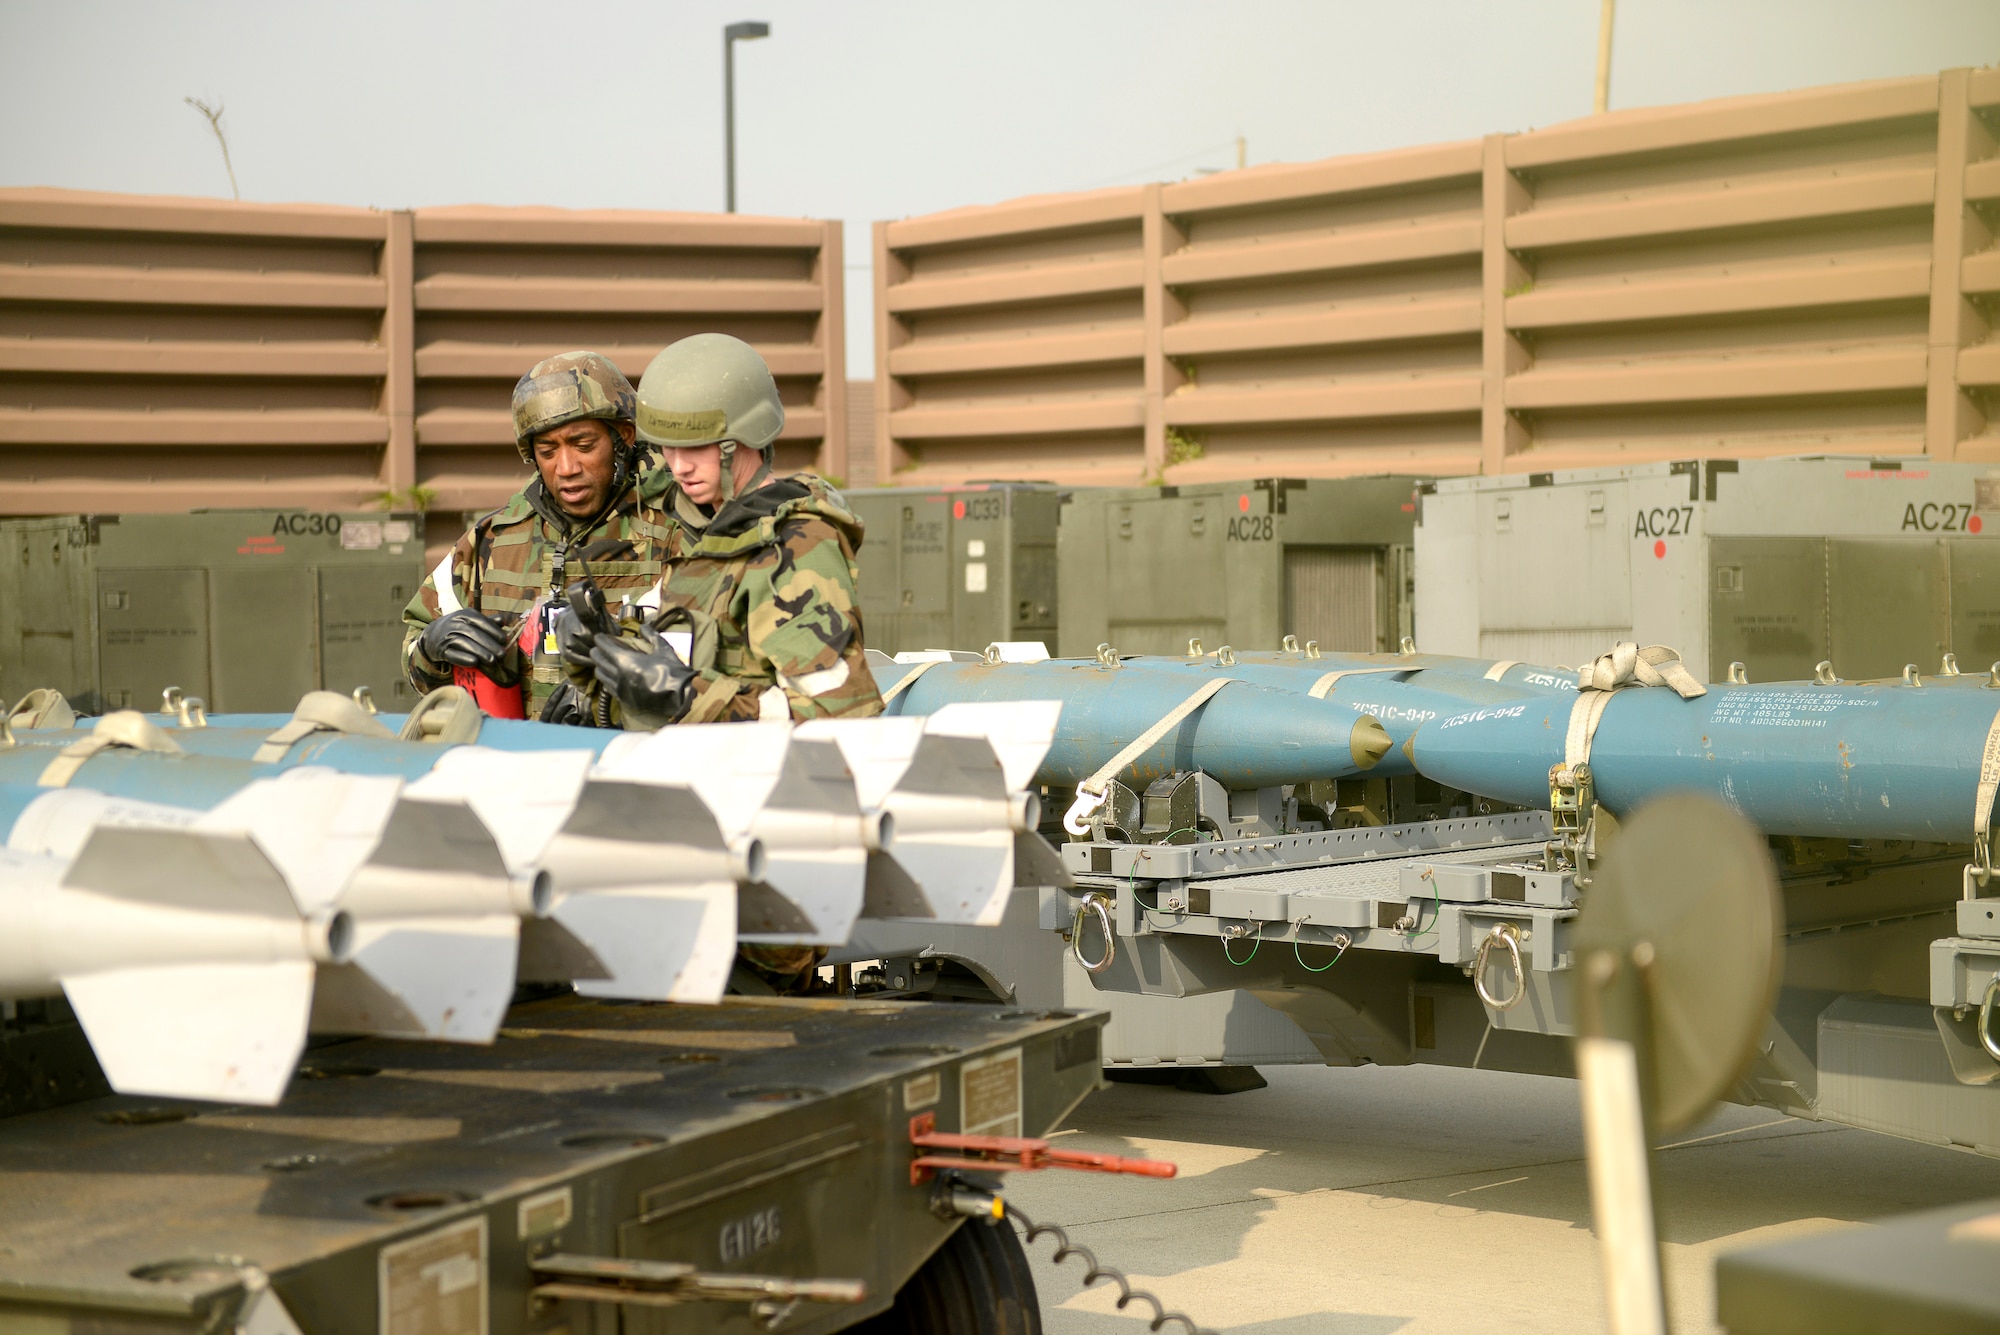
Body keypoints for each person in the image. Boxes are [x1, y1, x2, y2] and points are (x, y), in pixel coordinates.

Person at [580, 333, 883, 729]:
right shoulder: (709, 536)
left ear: (745, 437)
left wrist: (687, 696)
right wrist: (597, 650)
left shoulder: (795, 545)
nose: (678, 467)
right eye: (668, 449)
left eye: (696, 447)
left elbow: (842, 713)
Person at [400, 351, 673, 721]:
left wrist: (612, 701)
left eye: (584, 446)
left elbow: (709, 673)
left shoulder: (678, 532)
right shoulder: (492, 541)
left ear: (623, 437)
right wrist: (431, 650)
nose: (566, 468)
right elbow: (417, 661)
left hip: (629, 765)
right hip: (517, 766)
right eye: (547, 451)